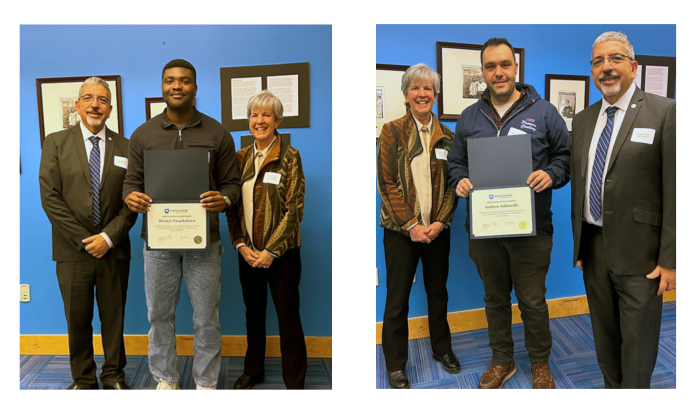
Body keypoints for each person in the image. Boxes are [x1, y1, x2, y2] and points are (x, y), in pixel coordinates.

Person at [447, 38, 570, 389]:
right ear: (482, 72)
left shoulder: (544, 112)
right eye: (490, 66)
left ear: (516, 68)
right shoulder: (470, 117)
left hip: (531, 228)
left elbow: (565, 158)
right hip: (485, 229)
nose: (498, 72)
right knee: (494, 299)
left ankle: (539, 362)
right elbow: (456, 163)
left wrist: (552, 174)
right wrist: (460, 180)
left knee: (533, 300)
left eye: (504, 64)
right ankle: (502, 360)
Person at [122, 59, 241, 390]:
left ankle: (206, 382)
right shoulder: (142, 135)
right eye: (171, 80)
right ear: (162, 87)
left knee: (206, 318)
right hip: (158, 242)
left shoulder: (218, 133)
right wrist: (131, 197)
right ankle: (165, 378)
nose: (177, 86)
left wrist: (225, 199)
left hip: (205, 242)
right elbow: (130, 183)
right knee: (159, 316)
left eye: (185, 81)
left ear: (195, 88)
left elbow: (232, 184)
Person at [570, 31, 675, 389]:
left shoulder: (665, 112)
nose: (606, 68)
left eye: (615, 59)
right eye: (598, 61)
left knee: (638, 345)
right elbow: (582, 182)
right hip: (594, 248)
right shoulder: (583, 120)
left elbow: (677, 190)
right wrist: (581, 242)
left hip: (642, 254)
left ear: (633, 66)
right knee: (604, 338)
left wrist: (671, 259)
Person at [39, 77, 137, 390]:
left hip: (114, 248)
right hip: (72, 252)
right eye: (89, 98)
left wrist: (108, 237)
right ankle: (83, 378)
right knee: (77, 319)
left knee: (114, 319)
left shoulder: (126, 147)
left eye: (102, 100)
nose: (95, 104)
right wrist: (86, 241)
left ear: (110, 108)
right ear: (79, 105)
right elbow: (50, 197)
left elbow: (134, 199)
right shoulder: (56, 142)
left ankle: (113, 376)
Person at [377, 63, 459, 389]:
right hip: (401, 231)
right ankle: (396, 364)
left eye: (428, 89)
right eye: (416, 88)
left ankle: (442, 349)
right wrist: (411, 224)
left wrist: (440, 222)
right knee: (397, 299)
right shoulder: (392, 131)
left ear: (436, 95)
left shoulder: (448, 137)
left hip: (438, 230)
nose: (422, 94)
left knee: (438, 292)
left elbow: (455, 184)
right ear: (405, 94)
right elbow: (386, 183)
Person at [225, 91, 307, 389]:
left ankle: (295, 380)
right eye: (254, 115)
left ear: (278, 121)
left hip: (282, 256)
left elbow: (294, 209)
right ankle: (253, 370)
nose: (259, 121)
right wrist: (240, 245)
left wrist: (271, 251)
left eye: (266, 115)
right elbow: (232, 206)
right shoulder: (241, 157)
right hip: (247, 254)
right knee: (253, 315)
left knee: (288, 318)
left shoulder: (290, 157)